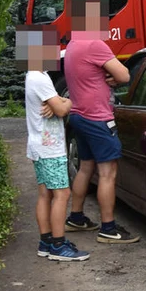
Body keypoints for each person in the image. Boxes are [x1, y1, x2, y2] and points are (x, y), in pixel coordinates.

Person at [63, 0, 138, 244]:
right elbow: (125, 76)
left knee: (86, 167)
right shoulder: (95, 44)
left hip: (79, 116)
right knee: (108, 172)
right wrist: (115, 77)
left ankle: (76, 217)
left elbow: (91, 74)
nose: (106, 22)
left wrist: (108, 76)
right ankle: (108, 228)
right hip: (97, 118)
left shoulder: (74, 43)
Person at [18, 26, 89, 262]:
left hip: (38, 146)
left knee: (45, 195)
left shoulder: (31, 75)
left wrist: (60, 102)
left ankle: (46, 241)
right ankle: (59, 245)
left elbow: (57, 106)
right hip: (51, 148)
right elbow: (61, 108)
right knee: (62, 193)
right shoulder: (41, 77)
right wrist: (65, 102)